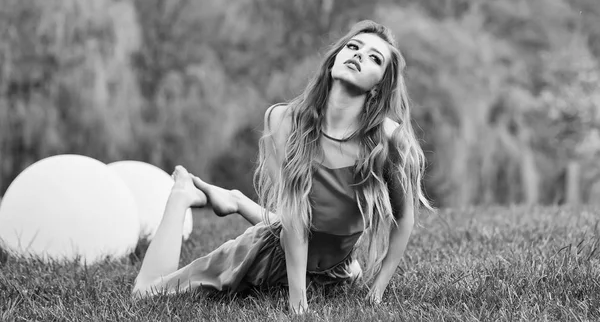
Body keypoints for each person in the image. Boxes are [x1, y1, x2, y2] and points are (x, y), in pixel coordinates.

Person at [132, 20, 433, 314]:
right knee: (147, 293)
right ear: (333, 61)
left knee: (312, 241)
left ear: (380, 86)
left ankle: (235, 200)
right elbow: (293, 219)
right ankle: (182, 194)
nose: (358, 55)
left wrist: (377, 291)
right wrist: (297, 304)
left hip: (335, 269)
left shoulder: (389, 141)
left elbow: (404, 217)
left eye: (374, 58)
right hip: (269, 256)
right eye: (353, 46)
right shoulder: (284, 122)